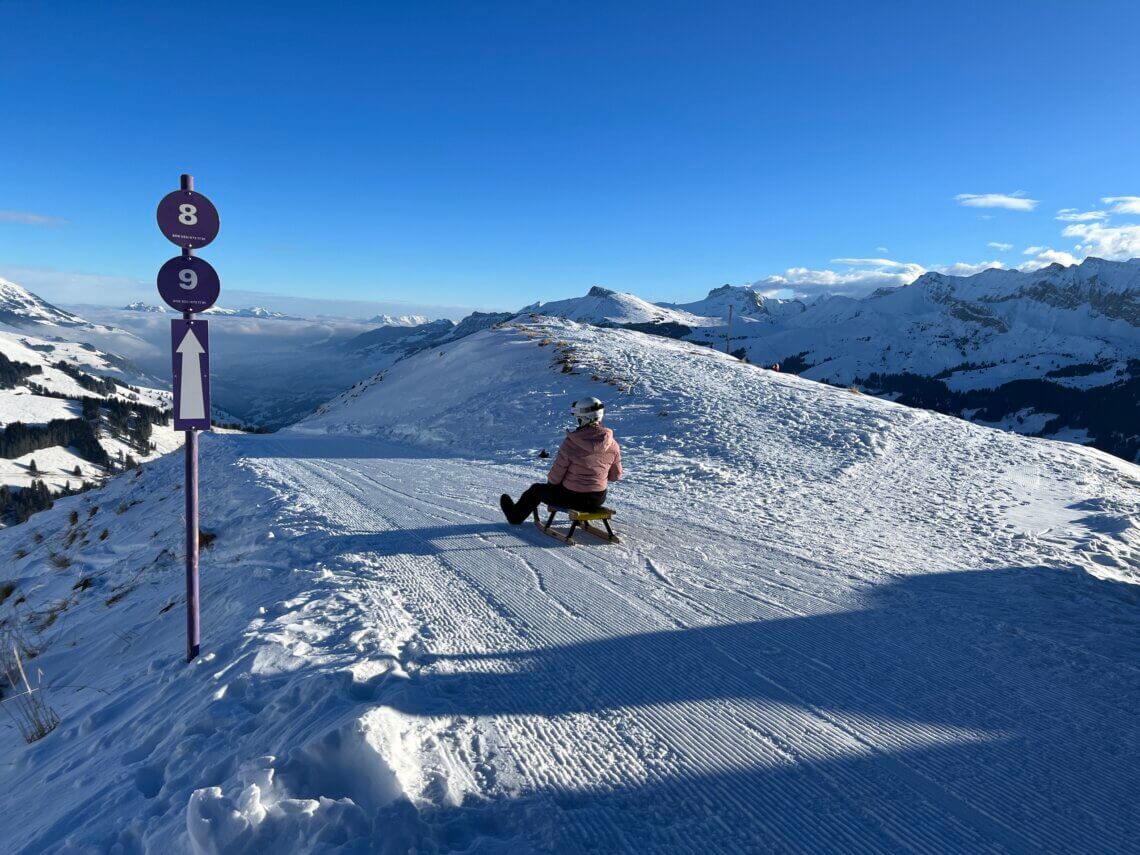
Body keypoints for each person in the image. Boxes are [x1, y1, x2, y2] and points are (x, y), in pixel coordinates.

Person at [500, 396, 622, 525]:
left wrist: (551, 488)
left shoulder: (571, 443)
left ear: (583, 418)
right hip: (597, 498)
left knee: (536, 490)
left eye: (578, 418)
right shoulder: (613, 444)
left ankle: (515, 517)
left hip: (572, 498)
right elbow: (615, 476)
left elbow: (555, 477)